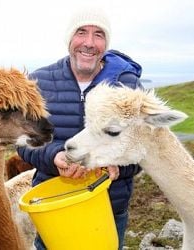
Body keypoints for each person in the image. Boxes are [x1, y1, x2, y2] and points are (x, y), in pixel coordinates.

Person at [17, 7, 143, 250]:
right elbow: (23, 142)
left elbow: (143, 148)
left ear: (106, 43)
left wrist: (117, 163)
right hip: (53, 207)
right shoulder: (39, 82)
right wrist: (55, 156)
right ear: (69, 39)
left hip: (107, 208)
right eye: (81, 32)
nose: (89, 43)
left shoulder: (126, 84)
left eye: (98, 35)